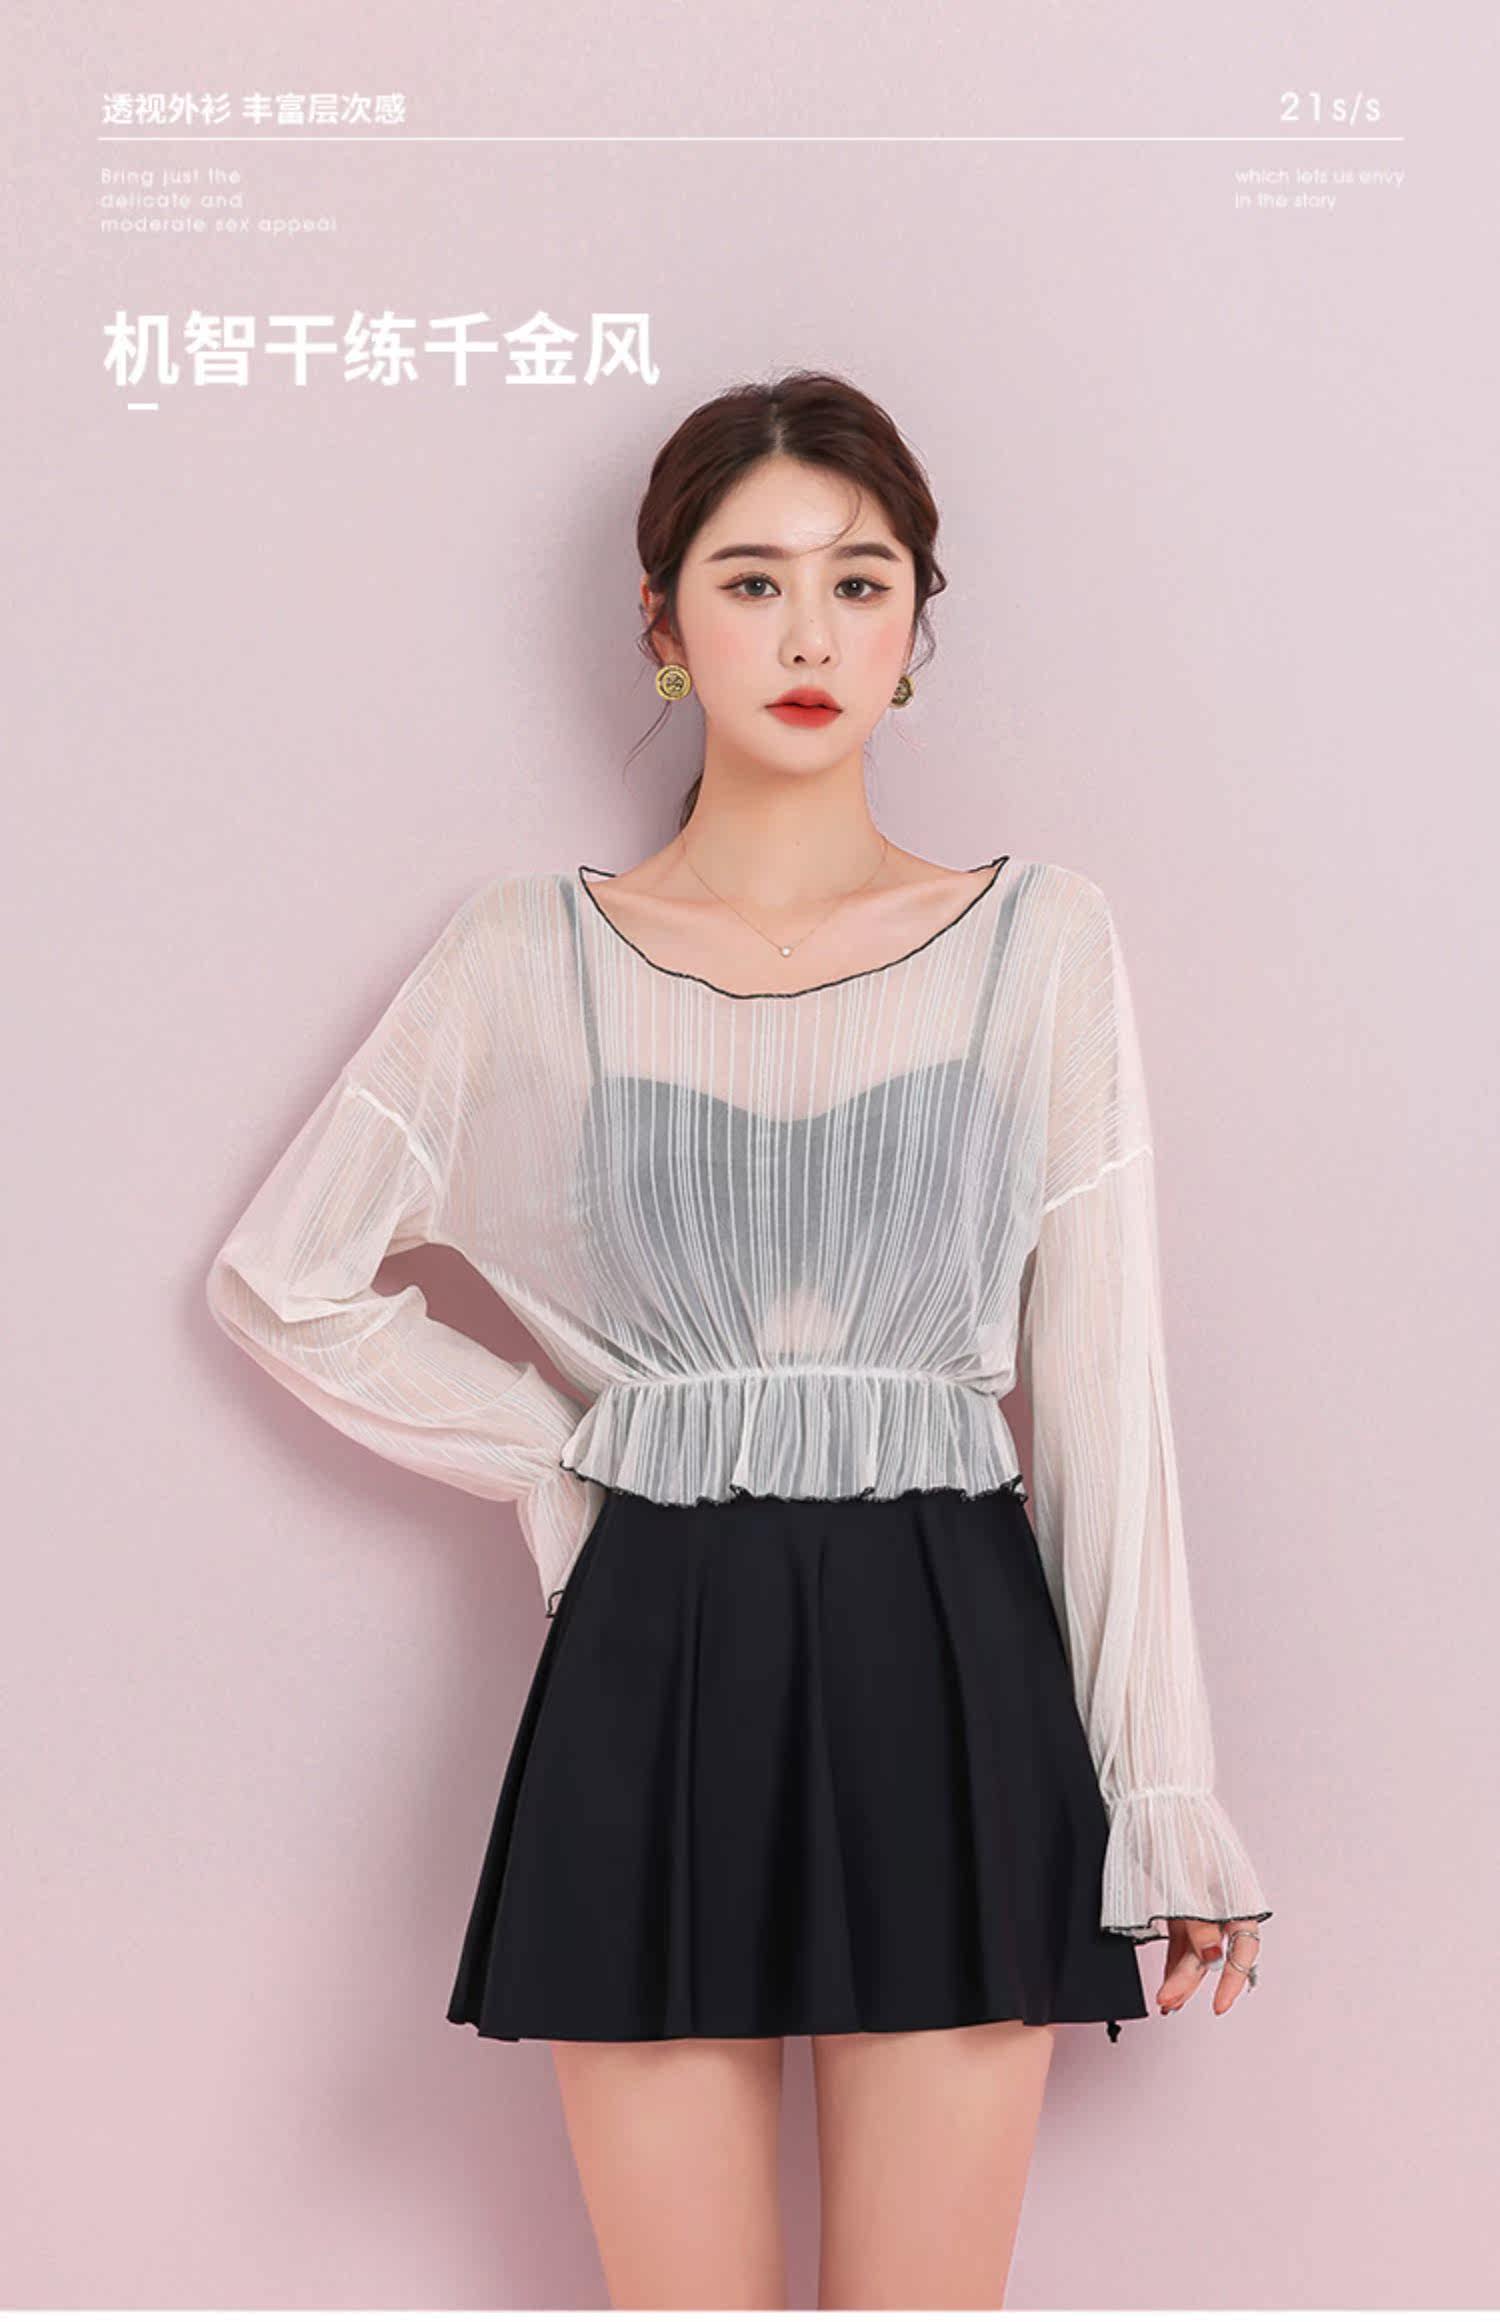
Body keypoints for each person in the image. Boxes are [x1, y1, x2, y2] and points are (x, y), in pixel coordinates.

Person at [206, 370, 1271, 2309]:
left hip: (951, 1653)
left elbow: (1107, 1395)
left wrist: (1165, 1797)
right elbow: (288, 1274)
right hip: (656, 1649)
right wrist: (551, 1460)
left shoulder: (1039, 942)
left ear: (917, 625)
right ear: (663, 620)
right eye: (753, 581)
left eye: (860, 583)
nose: (808, 636)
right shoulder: (525, 952)